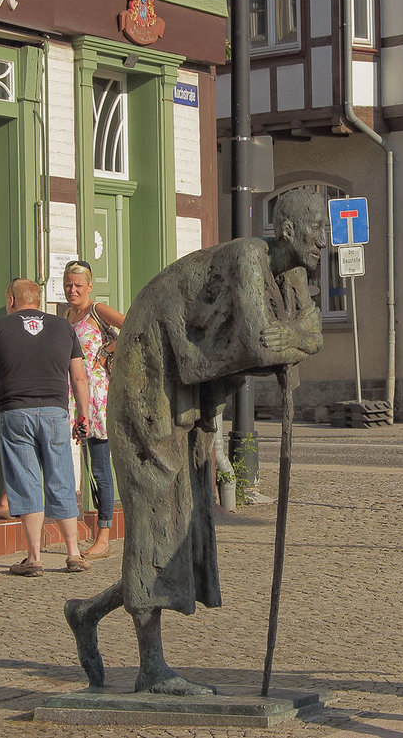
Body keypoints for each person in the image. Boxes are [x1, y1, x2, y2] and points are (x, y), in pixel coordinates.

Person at [64, 187, 326, 695]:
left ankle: (87, 613)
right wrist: (287, 339)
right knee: (155, 519)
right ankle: (151, 668)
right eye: (317, 228)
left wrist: (288, 339)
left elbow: (308, 333)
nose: (325, 241)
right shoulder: (250, 256)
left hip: (186, 392)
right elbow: (256, 341)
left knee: (180, 524)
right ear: (288, 231)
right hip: (149, 382)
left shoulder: (291, 275)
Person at [0, 278, 93, 576]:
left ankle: (34, 557)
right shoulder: (63, 327)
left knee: (26, 481)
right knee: (61, 477)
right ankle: (74, 553)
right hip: (54, 412)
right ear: (38, 301)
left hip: (15, 412)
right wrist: (84, 414)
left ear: (11, 300)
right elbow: (78, 377)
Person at [61, 259, 125, 560]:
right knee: (84, 464)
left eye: (78, 285)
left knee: (100, 466)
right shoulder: (67, 315)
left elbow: (133, 325)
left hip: (98, 395)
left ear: (89, 286)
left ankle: (104, 535)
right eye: (68, 285)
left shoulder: (97, 311)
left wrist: (105, 351)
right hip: (74, 393)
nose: (72, 290)